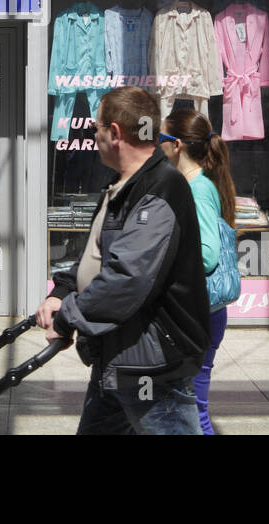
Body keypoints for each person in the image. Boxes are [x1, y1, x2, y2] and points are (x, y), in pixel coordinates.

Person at [36, 86, 210, 434]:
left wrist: (70, 316)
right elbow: (96, 255)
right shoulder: (122, 185)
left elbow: (128, 278)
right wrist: (62, 291)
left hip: (151, 364)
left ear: (113, 133)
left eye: (95, 128)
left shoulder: (161, 188)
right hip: (118, 354)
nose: (94, 135)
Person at [160, 108, 236, 435]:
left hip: (198, 314)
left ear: (177, 145)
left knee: (192, 408)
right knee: (183, 404)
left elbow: (206, 256)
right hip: (201, 313)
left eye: (161, 138)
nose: (156, 145)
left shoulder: (198, 188)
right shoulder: (192, 183)